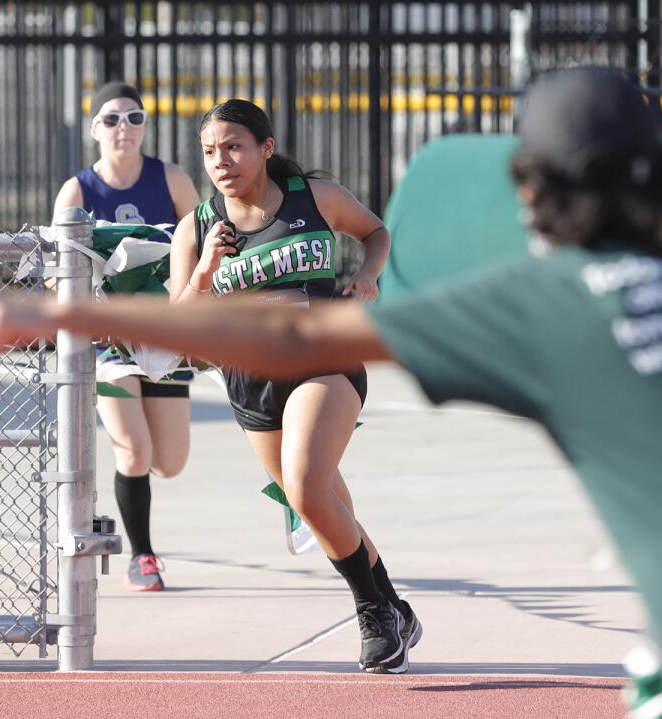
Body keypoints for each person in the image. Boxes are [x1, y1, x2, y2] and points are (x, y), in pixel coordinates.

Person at [0, 68, 662, 717]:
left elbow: (297, 328)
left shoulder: (561, 302)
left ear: (536, 193)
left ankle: (374, 596)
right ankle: (377, 597)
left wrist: (57, 315)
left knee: (309, 478)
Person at [162, 98, 420, 674]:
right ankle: (393, 606)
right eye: (210, 151)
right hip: (250, 380)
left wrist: (367, 274)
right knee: (325, 502)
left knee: (306, 489)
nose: (221, 160)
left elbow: (376, 232)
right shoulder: (196, 228)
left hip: (324, 357)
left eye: (234, 146)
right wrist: (204, 271)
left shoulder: (313, 198)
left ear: (265, 148)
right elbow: (178, 324)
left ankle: (372, 613)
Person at [53, 81, 201, 591]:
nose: (124, 128)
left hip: (162, 331)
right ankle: (144, 557)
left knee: (170, 461)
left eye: (134, 118)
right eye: (112, 119)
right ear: (95, 129)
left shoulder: (173, 180)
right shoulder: (78, 192)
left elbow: (204, 247)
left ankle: (124, 510)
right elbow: (57, 276)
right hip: (107, 340)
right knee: (133, 451)